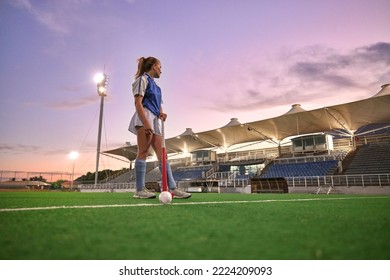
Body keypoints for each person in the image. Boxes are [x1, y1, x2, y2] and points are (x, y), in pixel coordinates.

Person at [128, 57, 191, 199]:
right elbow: (138, 103)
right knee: (143, 152)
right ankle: (139, 190)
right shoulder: (142, 80)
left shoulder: (157, 87)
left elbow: (157, 103)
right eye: (160, 66)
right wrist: (146, 123)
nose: (161, 69)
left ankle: (173, 189)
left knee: (163, 155)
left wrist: (161, 112)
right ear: (154, 67)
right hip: (145, 116)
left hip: (155, 119)